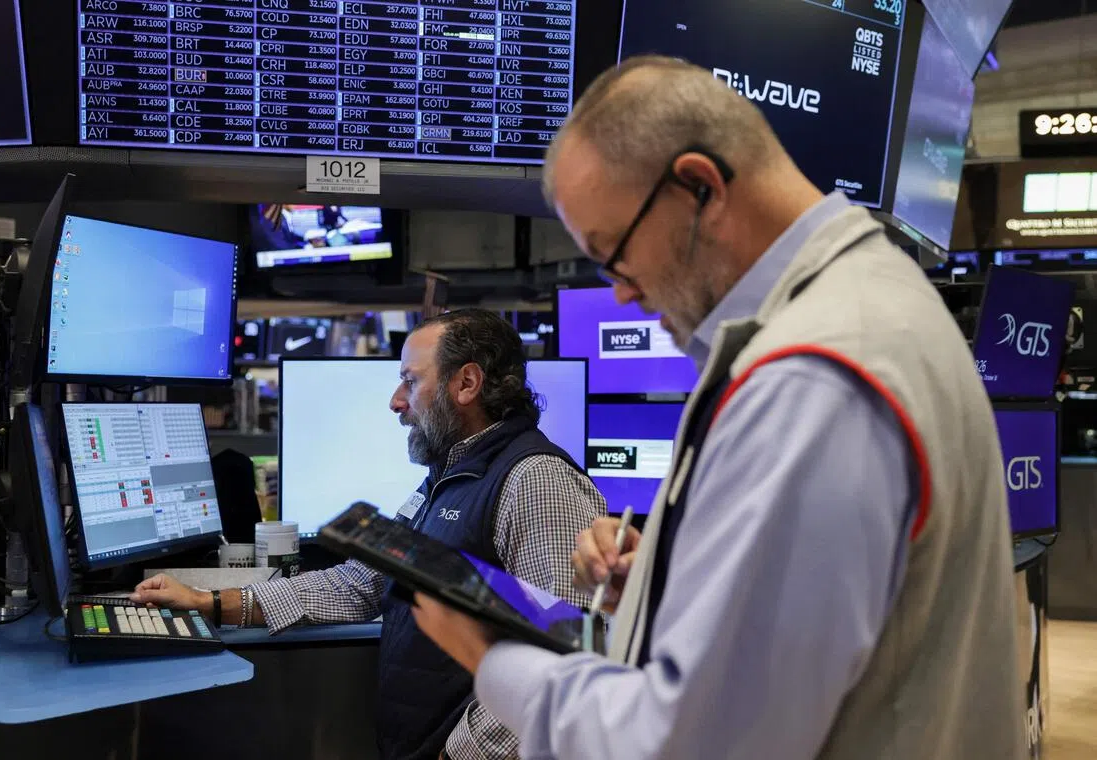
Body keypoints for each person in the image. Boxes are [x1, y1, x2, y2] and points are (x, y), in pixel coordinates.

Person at [411, 55, 1025, 759]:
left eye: (614, 254)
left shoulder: (813, 381)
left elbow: (682, 745)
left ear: (699, 186)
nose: (620, 294)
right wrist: (671, 579)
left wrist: (495, 657)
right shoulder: (875, 297)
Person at [132, 309, 607, 760]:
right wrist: (212, 603)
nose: (396, 401)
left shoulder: (537, 481)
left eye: (410, 380)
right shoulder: (449, 478)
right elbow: (361, 583)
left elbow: (562, 656)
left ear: (466, 383)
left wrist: (458, 755)